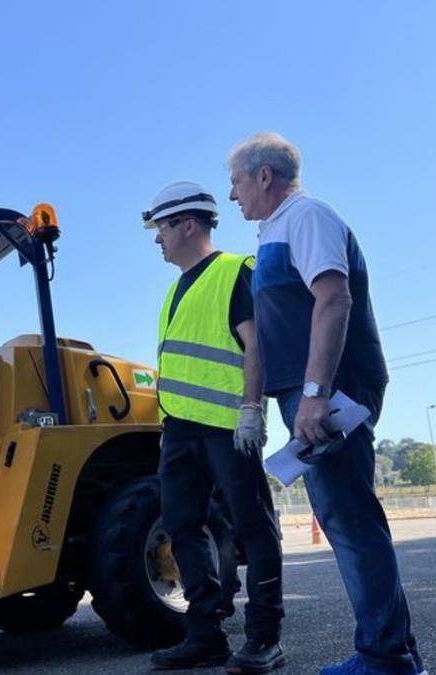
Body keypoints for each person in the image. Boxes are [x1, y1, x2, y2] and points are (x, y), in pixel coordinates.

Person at [227, 132, 426, 675]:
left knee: (351, 520)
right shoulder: (277, 230)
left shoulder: (306, 216)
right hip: (308, 390)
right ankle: (394, 653)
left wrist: (314, 394)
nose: (232, 195)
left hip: (331, 390)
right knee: (348, 518)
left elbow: (333, 298)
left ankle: (386, 657)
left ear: (263, 175)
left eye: (236, 182)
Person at [144, 181, 285, 672]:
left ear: (187, 224)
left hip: (228, 427)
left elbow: (256, 344)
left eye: (161, 228)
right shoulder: (174, 291)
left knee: (253, 527)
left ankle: (265, 638)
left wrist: (253, 408)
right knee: (182, 528)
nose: (156, 238)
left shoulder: (234, 271)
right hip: (180, 431)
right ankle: (205, 634)